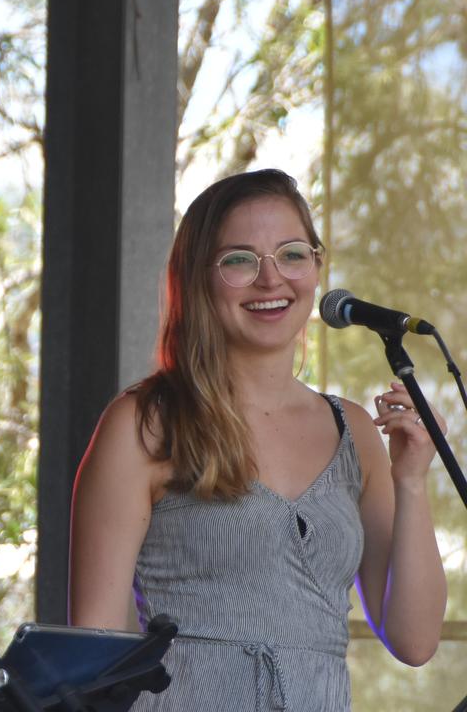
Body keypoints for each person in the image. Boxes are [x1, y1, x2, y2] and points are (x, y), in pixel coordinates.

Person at [68, 169, 447, 710]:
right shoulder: (145, 424)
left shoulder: (354, 431)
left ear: (317, 267)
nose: (271, 280)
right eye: (239, 260)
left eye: (292, 254)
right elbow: (94, 655)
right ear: (197, 278)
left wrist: (410, 481)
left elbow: (415, 641)